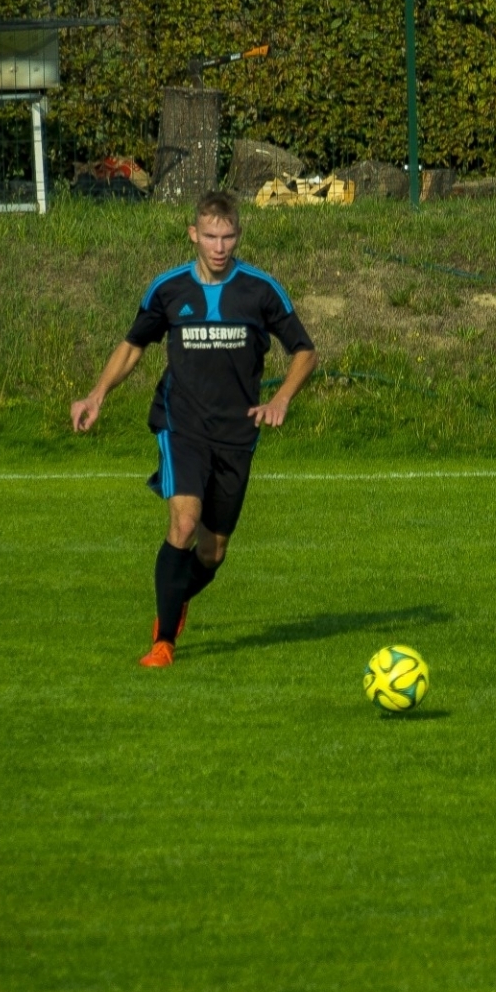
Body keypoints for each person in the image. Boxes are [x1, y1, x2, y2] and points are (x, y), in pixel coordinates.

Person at [69, 191, 317, 667]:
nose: (219, 246)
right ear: (193, 235)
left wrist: (282, 397)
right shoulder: (168, 289)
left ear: (238, 235)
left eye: (227, 236)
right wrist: (96, 395)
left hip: (237, 432)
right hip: (180, 424)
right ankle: (163, 642)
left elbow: (305, 351)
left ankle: (176, 595)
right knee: (183, 523)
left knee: (213, 551)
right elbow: (132, 345)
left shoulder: (261, 290)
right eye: (210, 236)